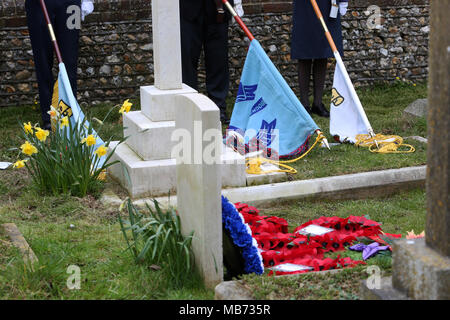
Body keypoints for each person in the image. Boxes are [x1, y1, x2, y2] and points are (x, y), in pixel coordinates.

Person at [25, 0, 93, 130]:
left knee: (70, 59)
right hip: (39, 5)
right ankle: (48, 115)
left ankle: (69, 111)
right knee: (43, 60)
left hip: (71, 4)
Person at [179, 0, 244, 125]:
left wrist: (237, 3)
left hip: (217, 7)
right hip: (187, 8)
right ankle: (189, 107)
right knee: (187, 59)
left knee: (218, 58)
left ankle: (218, 108)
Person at [291, 0, 348, 118]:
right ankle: (304, 104)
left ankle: (317, 103)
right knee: (304, 52)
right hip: (305, 6)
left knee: (323, 51)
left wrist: (343, 1)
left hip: (327, 4)